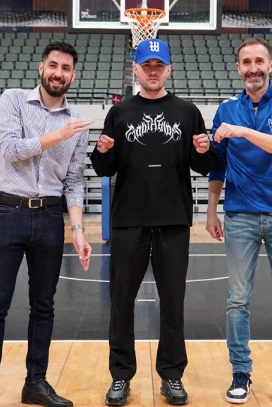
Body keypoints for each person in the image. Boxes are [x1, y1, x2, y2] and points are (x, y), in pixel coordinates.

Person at [90, 38, 217, 406]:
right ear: (136, 69)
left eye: (159, 66)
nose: (153, 71)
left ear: (168, 69)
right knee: (121, 302)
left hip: (173, 219)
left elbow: (202, 166)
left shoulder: (187, 112)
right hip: (128, 220)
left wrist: (205, 151)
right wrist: (100, 152)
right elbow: (105, 168)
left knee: (173, 302)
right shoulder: (119, 113)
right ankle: (120, 376)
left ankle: (172, 375)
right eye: (147, 65)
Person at [0, 40, 93, 407]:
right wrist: (59, 135)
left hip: (49, 217)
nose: (59, 73)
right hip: (8, 211)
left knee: (44, 305)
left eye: (66, 68)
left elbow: (74, 181)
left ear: (73, 75)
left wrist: (78, 230)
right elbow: (11, 150)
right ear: (41, 67)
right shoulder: (12, 100)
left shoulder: (78, 124)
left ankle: (36, 383)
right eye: (53, 66)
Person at [206, 37, 272, 407]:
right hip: (240, 216)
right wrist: (211, 210)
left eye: (259, 61)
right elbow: (217, 164)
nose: (253, 68)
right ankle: (240, 373)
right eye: (246, 62)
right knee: (237, 300)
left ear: (271, 65)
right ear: (238, 68)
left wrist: (242, 132)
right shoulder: (226, 109)